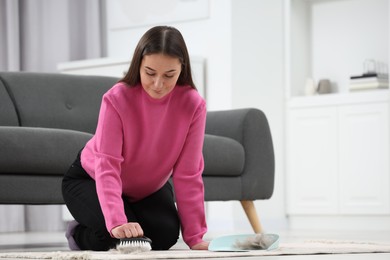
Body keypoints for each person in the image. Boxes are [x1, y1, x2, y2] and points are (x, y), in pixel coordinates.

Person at [62, 25, 209, 251]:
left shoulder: (193, 105)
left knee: (165, 236)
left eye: (169, 75)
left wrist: (196, 237)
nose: (158, 84)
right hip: (90, 178)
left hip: (146, 190)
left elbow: (188, 173)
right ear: (138, 64)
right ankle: (78, 232)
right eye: (150, 73)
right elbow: (107, 165)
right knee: (116, 236)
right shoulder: (116, 98)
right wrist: (117, 221)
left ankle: (122, 215)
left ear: (182, 69)